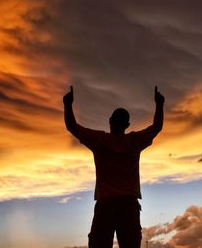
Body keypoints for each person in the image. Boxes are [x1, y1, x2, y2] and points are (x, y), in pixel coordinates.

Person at [63, 86, 165, 248]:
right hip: (128, 204)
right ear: (127, 124)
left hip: (106, 205)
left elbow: (72, 126)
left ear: (110, 121)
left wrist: (67, 104)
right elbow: (157, 127)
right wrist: (159, 104)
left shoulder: (99, 140)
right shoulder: (134, 141)